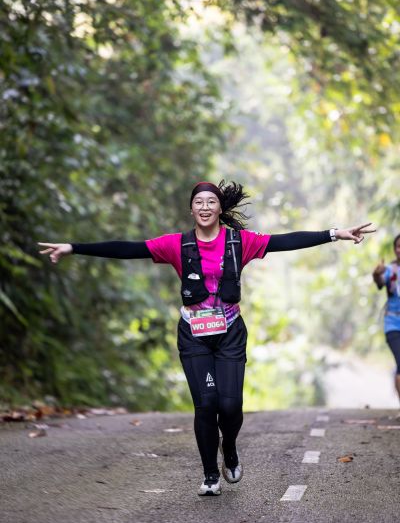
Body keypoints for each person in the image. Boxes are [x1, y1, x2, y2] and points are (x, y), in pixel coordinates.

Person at [39, 180, 375, 496]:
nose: (204, 207)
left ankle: (229, 445)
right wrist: (73, 248)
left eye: (210, 202)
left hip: (230, 333)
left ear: (219, 208)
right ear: (191, 209)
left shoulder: (239, 242)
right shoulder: (175, 244)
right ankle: (210, 475)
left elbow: (284, 241)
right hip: (194, 335)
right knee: (206, 404)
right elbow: (129, 249)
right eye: (198, 202)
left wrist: (335, 234)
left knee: (230, 406)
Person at [372, 234, 400, 407]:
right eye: (398, 246)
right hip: (393, 323)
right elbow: (380, 282)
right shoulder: (390, 270)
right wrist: (376, 274)